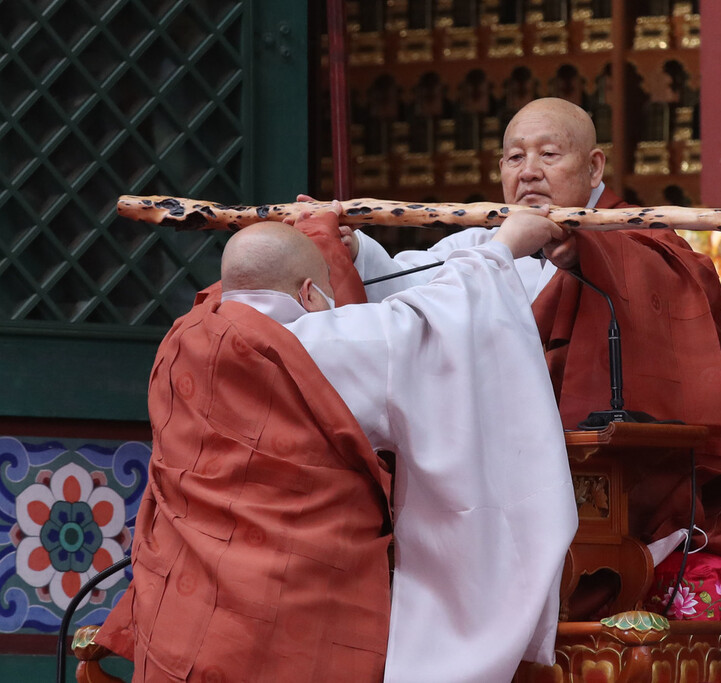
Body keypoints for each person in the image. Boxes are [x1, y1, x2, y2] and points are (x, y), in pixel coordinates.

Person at [313, 97, 721, 587]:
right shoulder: (481, 241)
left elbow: (679, 288)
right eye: (513, 158)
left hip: (590, 467)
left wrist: (594, 259)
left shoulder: (635, 242)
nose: (528, 172)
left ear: (594, 166)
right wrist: (353, 250)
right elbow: (412, 294)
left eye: (549, 155)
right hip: (484, 460)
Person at [94, 210, 579, 682]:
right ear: (309, 292)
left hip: (185, 617)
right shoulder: (325, 343)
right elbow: (439, 323)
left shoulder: (183, 340)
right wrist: (502, 248)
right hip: (296, 618)